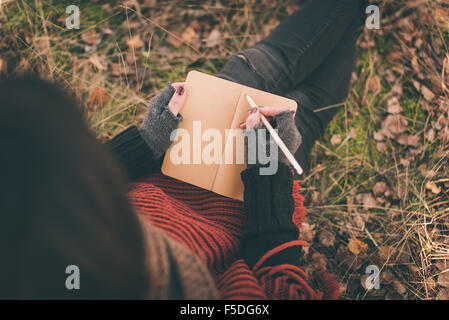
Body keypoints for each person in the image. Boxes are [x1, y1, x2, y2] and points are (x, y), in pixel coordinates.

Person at [0, 0, 366, 299]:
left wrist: (149, 140)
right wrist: (268, 164)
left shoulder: (32, 225)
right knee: (320, 97)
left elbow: (83, 174)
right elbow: (279, 284)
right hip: (255, 191)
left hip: (190, 138)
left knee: (288, 53)